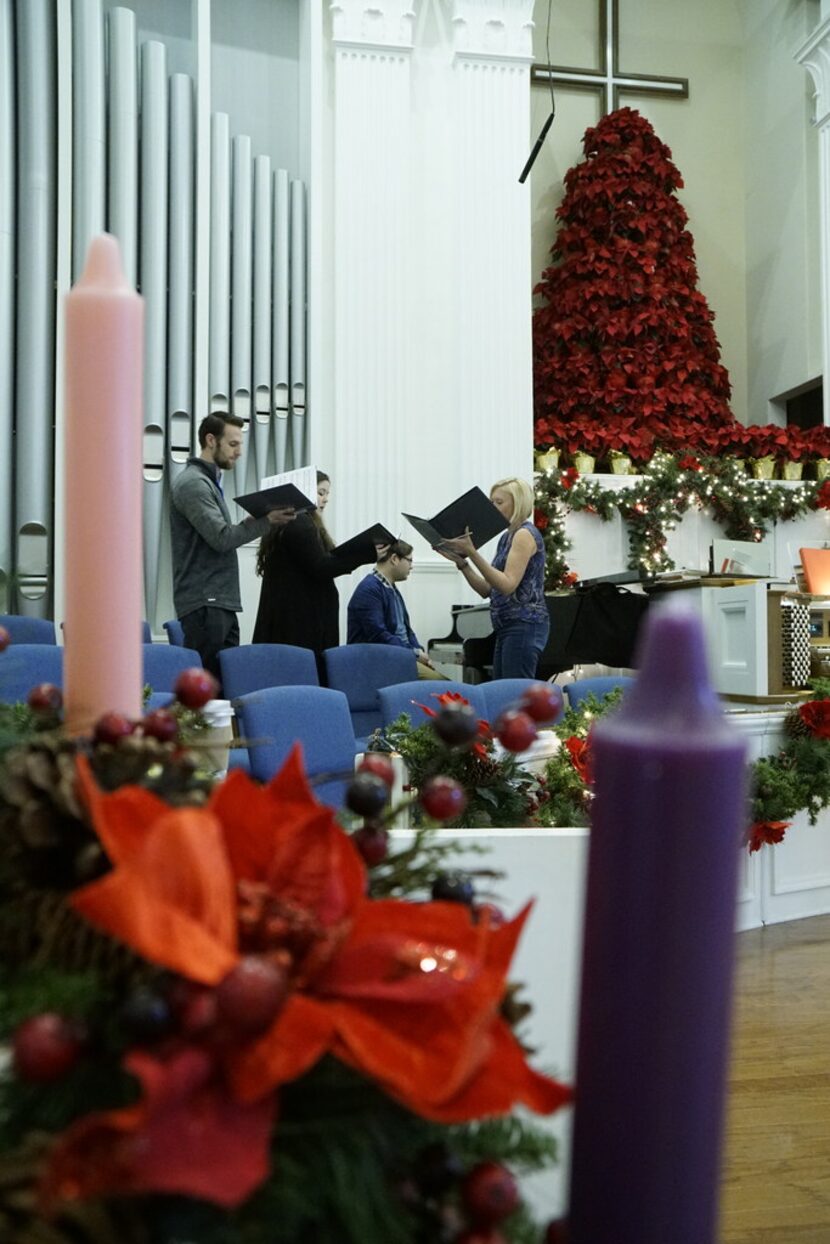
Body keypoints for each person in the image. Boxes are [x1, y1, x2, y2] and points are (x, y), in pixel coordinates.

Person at [169, 413, 294, 680]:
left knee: (224, 689)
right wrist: (266, 521)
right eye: (233, 444)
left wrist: (256, 520)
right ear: (211, 440)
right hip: (205, 600)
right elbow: (222, 539)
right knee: (208, 692)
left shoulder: (207, 482)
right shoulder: (193, 483)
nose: (239, 452)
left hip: (217, 600)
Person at [253, 471, 378, 679]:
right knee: (303, 682)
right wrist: (366, 553)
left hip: (295, 621)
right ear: (304, 491)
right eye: (321, 492)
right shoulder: (299, 523)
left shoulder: (296, 523)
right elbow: (321, 566)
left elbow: (323, 561)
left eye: (327, 493)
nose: (325, 499)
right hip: (299, 625)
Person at [438, 476, 549, 679]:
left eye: (499, 502)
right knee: (502, 691)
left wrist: (471, 551)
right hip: (507, 625)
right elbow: (488, 590)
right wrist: (462, 563)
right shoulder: (506, 537)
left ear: (518, 504)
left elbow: (507, 585)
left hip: (524, 624)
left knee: (514, 694)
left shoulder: (524, 534)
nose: (492, 507)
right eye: (491, 502)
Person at [347, 540, 444, 679]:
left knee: (446, 687)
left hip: (399, 656)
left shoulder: (390, 588)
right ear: (394, 559)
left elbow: (407, 630)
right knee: (442, 686)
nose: (411, 567)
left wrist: (420, 652)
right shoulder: (368, 590)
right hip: (379, 661)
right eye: (409, 561)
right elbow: (379, 636)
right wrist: (414, 654)